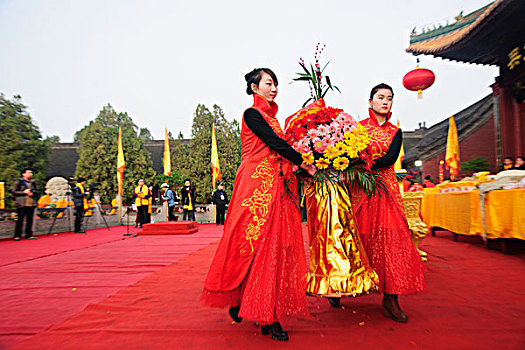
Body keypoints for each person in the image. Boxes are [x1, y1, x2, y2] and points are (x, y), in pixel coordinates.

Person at [200, 68, 316, 341]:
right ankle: (243, 299)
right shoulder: (253, 115)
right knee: (250, 245)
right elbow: (275, 144)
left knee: (277, 248)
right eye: (268, 83)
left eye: (275, 83)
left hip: (280, 187)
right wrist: (304, 163)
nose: (274, 88)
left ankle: (270, 313)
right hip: (257, 186)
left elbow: (282, 146)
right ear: (254, 88)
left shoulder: (276, 120)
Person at [350, 83, 425, 323]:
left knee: (392, 241)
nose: (385, 101)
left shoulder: (396, 131)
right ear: (370, 102)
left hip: (386, 191)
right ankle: (341, 285)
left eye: (389, 98)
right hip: (362, 190)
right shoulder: (357, 130)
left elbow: (391, 157)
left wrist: (365, 164)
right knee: (357, 239)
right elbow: (350, 156)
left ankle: (390, 298)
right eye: (380, 97)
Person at [11, 168, 40, 240]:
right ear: (23, 174)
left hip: (31, 203)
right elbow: (14, 192)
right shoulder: (18, 182)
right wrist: (24, 192)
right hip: (21, 203)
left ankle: (29, 234)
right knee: (20, 220)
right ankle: (17, 235)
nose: (30, 174)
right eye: (29, 173)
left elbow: (38, 191)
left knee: (30, 220)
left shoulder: (33, 183)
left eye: (31, 173)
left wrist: (33, 193)